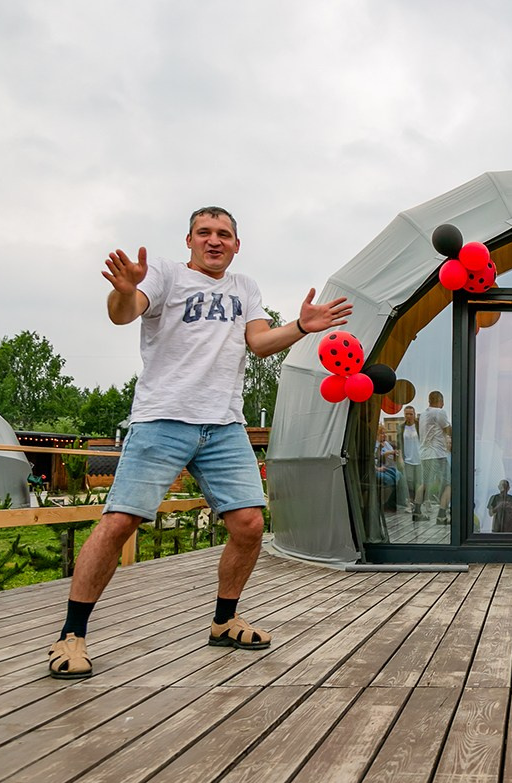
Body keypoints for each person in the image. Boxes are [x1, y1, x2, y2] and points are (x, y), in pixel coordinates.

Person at [46, 206, 353, 680]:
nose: (215, 241)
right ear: (188, 239)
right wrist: (123, 291)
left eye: (224, 234)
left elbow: (260, 342)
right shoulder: (165, 275)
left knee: (250, 524)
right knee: (120, 522)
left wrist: (300, 326)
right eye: (205, 233)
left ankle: (224, 620)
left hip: (224, 425)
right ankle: (71, 635)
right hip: (162, 418)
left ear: (236, 244)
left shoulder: (244, 288)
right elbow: (124, 314)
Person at [418, 390, 452, 525]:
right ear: (441, 401)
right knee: (450, 484)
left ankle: (416, 511)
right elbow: (448, 429)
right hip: (437, 454)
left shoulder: (424, 414)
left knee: (425, 483)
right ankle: (442, 516)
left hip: (425, 455)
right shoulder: (439, 412)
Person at [399, 405, 423, 514]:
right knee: (409, 483)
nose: (408, 416)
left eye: (411, 414)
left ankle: (422, 502)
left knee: (420, 482)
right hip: (408, 459)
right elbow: (399, 444)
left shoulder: (419, 426)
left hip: (420, 459)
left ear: (414, 414)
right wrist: (400, 458)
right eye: (406, 414)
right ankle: (411, 503)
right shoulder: (401, 427)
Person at [374, 426, 400, 511]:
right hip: (377, 469)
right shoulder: (375, 445)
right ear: (376, 435)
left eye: (384, 433)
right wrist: (378, 468)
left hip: (386, 467)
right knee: (389, 480)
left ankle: (393, 502)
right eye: (381, 433)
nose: (384, 435)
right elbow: (375, 459)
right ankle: (386, 503)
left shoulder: (386, 444)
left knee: (398, 476)